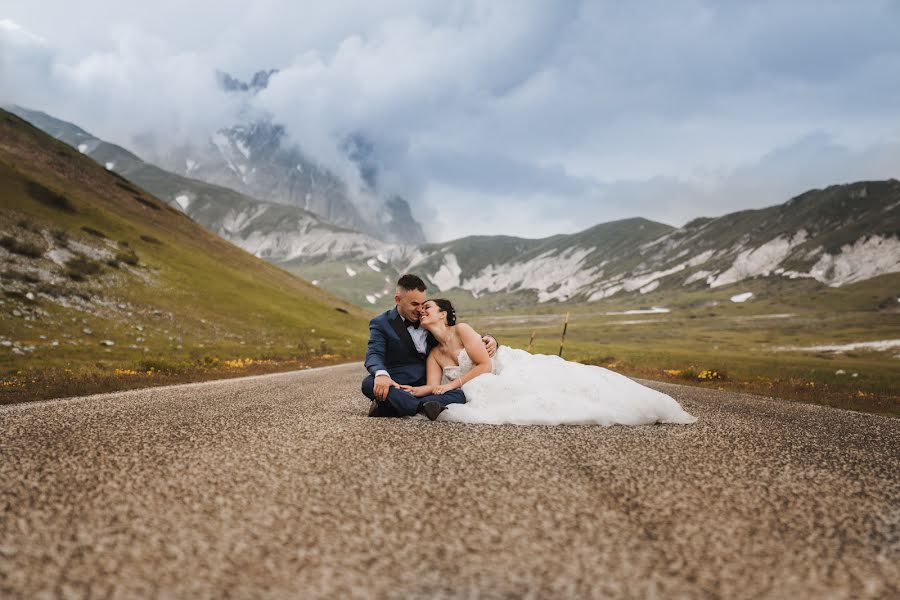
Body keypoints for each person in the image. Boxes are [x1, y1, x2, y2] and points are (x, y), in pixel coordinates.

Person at [411, 298, 698, 425]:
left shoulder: (463, 330)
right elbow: (432, 386)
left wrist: (454, 386)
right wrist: (409, 389)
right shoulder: (435, 354)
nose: (422, 311)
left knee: (560, 383)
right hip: (480, 384)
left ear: (445, 315)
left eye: (428, 308)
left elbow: (485, 365)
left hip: (503, 369)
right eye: (421, 309)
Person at [361, 274, 497, 419]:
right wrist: (381, 375)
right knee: (368, 383)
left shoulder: (429, 323)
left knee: (461, 392)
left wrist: (489, 339)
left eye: (423, 304)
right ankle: (420, 407)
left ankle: (391, 406)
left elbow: (457, 337)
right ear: (398, 300)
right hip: (398, 384)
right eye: (414, 304)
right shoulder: (381, 323)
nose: (420, 310)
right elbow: (374, 353)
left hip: (428, 386)